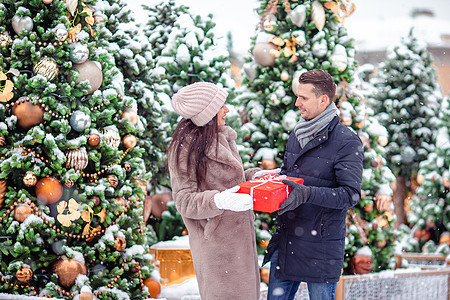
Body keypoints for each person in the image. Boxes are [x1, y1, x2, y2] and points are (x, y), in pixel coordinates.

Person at [167, 82, 274, 299]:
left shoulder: (221, 137)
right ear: (207, 112)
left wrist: (255, 177)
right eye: (221, 105)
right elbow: (184, 200)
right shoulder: (185, 147)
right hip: (216, 248)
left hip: (239, 244)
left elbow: (230, 182)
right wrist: (218, 201)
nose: (227, 109)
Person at [263, 69, 364, 300]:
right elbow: (290, 177)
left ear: (323, 99)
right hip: (288, 240)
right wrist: (269, 185)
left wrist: (308, 194)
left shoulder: (346, 141)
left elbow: (350, 195)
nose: (297, 103)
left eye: (303, 98)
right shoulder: (297, 134)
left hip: (320, 247)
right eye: (297, 96)